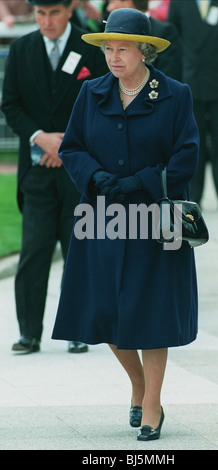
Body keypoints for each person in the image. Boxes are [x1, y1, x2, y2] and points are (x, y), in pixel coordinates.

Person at [52, 8, 199, 440]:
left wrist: (143, 180)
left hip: (156, 218)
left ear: (145, 51)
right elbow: (73, 147)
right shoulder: (91, 92)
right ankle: (137, 383)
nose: (113, 57)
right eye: (109, 48)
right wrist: (96, 179)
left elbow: (187, 155)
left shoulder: (176, 94)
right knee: (104, 307)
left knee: (151, 310)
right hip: (103, 215)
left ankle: (151, 402)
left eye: (123, 48)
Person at [1, 0, 108, 354]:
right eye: (41, 14)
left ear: (68, 11)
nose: (47, 21)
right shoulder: (21, 49)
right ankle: (29, 333)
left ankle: (79, 328)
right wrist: (40, 138)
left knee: (78, 249)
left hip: (77, 170)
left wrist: (67, 146)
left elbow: (100, 103)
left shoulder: (91, 47)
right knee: (34, 251)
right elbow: (11, 104)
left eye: (55, 13)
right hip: (35, 170)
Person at [168, 0, 218, 211]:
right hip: (191, 79)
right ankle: (194, 196)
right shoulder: (179, 3)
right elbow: (173, 35)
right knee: (195, 142)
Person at [105, 0, 182, 80]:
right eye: (109, 48)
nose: (108, 8)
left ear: (128, 3)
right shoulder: (107, 28)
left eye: (112, 2)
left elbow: (170, 74)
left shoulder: (164, 31)